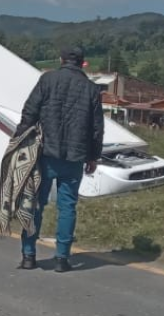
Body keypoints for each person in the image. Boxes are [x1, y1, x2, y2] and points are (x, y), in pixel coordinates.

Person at [13, 45, 103, 272]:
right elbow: (96, 128)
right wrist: (93, 156)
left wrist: (19, 141)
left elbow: (29, 112)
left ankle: (28, 255)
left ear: (61, 59)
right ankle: (62, 258)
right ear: (83, 63)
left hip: (44, 153)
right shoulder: (91, 89)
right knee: (68, 207)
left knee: (35, 204)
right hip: (75, 156)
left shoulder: (47, 80)